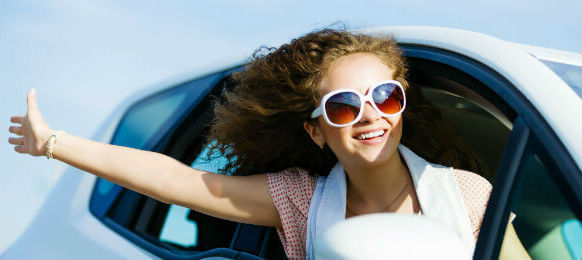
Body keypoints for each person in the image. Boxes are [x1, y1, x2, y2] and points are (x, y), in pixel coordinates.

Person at [8, 29, 529, 259]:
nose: (370, 115)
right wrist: (53, 142)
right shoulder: (300, 202)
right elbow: (179, 181)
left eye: (385, 97)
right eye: (345, 106)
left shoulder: (469, 196)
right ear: (316, 131)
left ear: (402, 105)